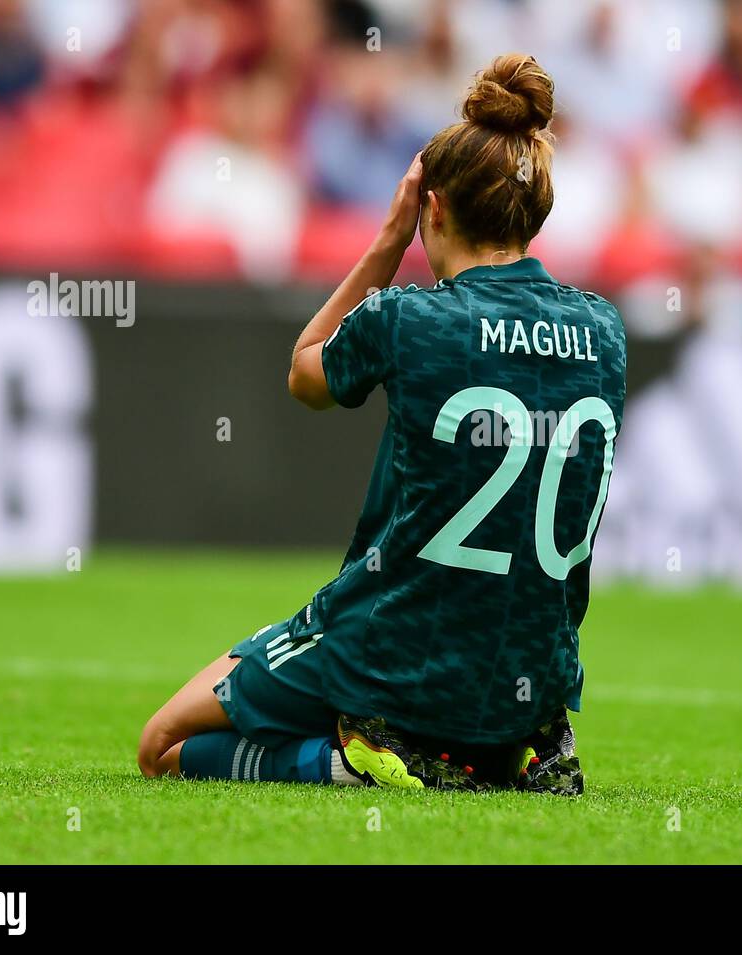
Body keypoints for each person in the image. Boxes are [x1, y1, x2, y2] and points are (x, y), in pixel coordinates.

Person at [137, 54, 626, 794]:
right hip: (535, 674)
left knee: (163, 745)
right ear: (534, 214)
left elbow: (306, 372)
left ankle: (354, 755)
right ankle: (517, 750)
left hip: (393, 649)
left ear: (431, 208)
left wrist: (389, 241)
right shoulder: (604, 329)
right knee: (488, 675)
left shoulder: (409, 317)